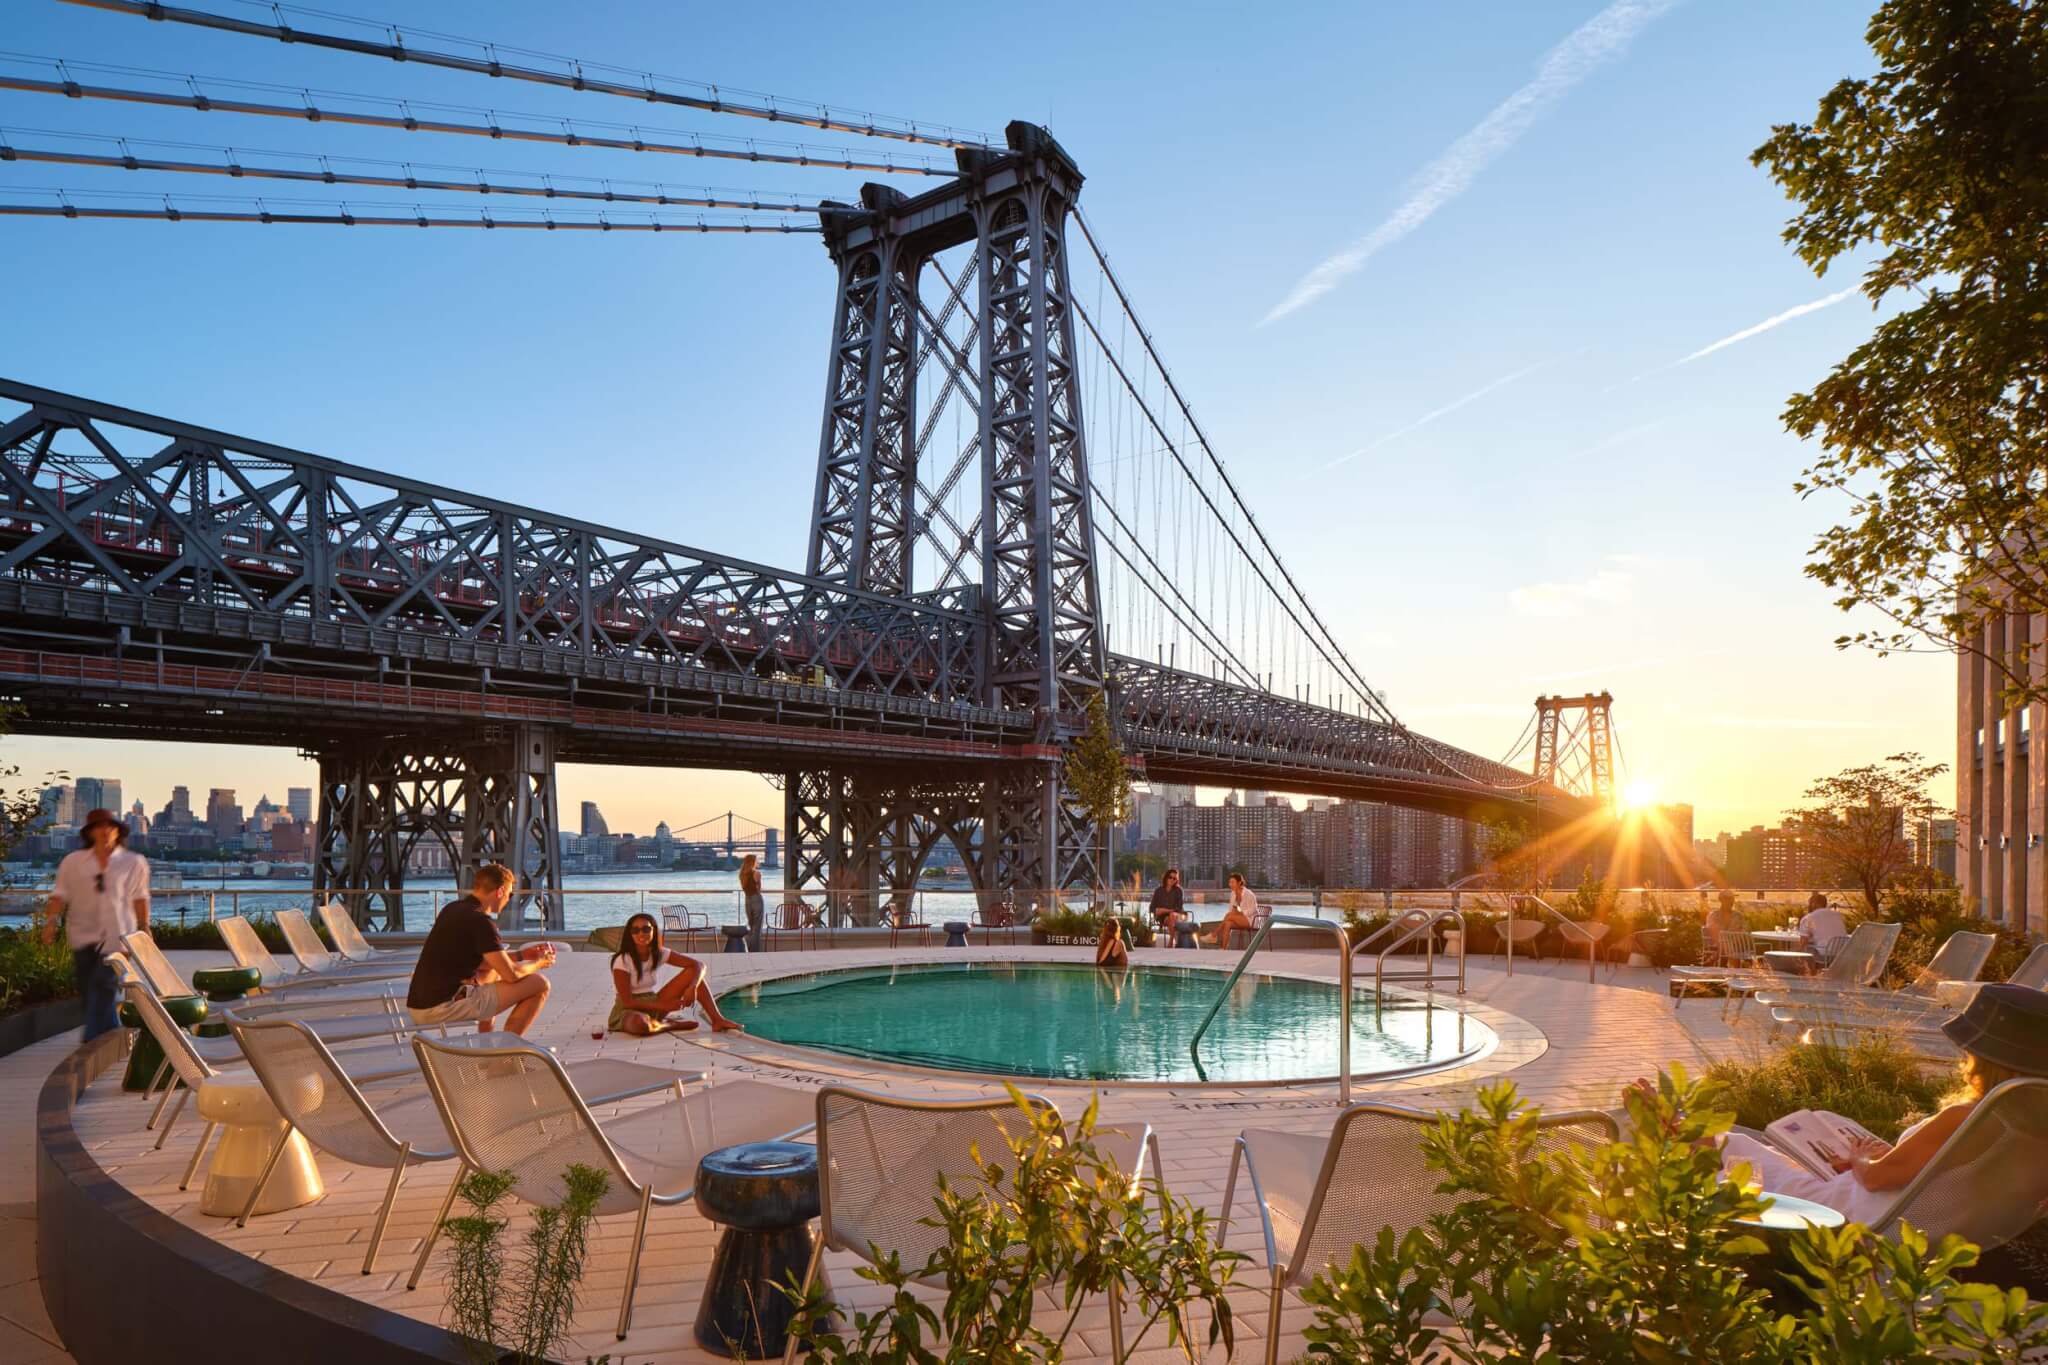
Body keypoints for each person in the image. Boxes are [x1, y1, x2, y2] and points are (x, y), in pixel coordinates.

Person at [1714, 984, 2048, 1227]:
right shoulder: (2030, 1129)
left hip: (1852, 1213)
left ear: (1983, 1060)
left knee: (1730, 1144)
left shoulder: (1966, 1118)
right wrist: (1890, 1156)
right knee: (1762, 1150)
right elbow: (1949, 1176)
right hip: (1912, 1218)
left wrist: (1861, 1157)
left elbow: (1875, 1178)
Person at [406, 864, 556, 1035]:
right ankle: (505, 1050)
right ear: (500, 891)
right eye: (510, 893)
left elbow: (486, 962)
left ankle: (486, 1040)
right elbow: (512, 975)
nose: (509, 898)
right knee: (539, 984)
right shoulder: (481, 922)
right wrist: (539, 963)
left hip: (419, 1005)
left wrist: (522, 955)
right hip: (439, 1010)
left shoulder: (453, 909)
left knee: (492, 973)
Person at [42, 809, 149, 1041]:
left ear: (118, 831)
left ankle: (90, 1039)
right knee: (89, 990)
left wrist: (145, 927)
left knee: (103, 984)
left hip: (119, 935)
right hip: (82, 933)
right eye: (98, 826)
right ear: (90, 832)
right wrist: (50, 922)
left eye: (109, 826)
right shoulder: (73, 862)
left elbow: (140, 897)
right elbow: (59, 895)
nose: (104, 831)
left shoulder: (134, 862)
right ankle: (110, 1035)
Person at [609, 912, 743, 1035]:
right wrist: (663, 1006)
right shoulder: (623, 960)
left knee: (694, 974)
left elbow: (698, 965)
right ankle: (669, 1025)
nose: (641, 934)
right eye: (635, 930)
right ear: (630, 934)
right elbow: (627, 1002)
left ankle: (717, 1020)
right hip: (629, 1011)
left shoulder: (658, 953)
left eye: (646, 929)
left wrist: (692, 987)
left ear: (654, 931)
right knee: (640, 1025)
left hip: (653, 1002)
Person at [1210, 873, 1260, 948]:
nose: (1230, 884)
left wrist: (1241, 913)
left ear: (1239, 883)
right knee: (1227, 923)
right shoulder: (1233, 894)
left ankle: (1214, 934)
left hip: (1251, 920)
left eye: (1232, 882)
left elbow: (1254, 909)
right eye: (1229, 882)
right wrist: (1236, 911)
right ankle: (1223, 949)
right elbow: (1231, 910)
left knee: (1229, 915)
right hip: (1240, 919)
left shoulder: (1249, 894)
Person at [1703, 889, 1747, 965]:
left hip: (1735, 943)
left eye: (1732, 898)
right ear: (1721, 900)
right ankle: (1734, 971)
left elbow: (1743, 930)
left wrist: (1737, 935)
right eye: (1727, 898)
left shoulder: (1738, 916)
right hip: (1717, 943)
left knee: (1729, 945)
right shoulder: (1713, 915)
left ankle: (1711, 960)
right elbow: (1710, 931)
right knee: (1726, 945)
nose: (1731, 901)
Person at [1798, 892, 1848, 956]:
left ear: (1814, 904)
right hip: (1842, 953)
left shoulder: (1809, 918)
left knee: (1805, 949)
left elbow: (1803, 942)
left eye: (1809, 903)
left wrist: (1796, 954)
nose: (1808, 906)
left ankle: (1806, 965)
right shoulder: (1838, 915)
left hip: (1825, 953)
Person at [1148, 868, 1186, 945]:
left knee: (1172, 915)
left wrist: (1164, 910)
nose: (1172, 880)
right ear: (1166, 877)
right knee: (1169, 918)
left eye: (1174, 878)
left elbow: (1179, 908)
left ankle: (1171, 941)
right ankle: (1174, 941)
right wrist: (1158, 911)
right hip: (1163, 917)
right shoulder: (1158, 891)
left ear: (1176, 880)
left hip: (1178, 915)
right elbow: (1151, 908)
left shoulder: (1178, 891)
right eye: (1170, 877)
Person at [739, 853, 765, 952]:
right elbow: (758, 889)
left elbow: (745, 888)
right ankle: (755, 951)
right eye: (756, 860)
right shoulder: (756, 873)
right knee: (757, 927)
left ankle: (749, 949)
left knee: (751, 925)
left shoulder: (741, 874)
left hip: (747, 900)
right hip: (756, 899)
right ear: (753, 862)